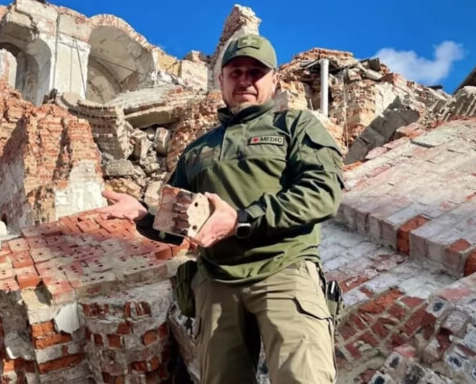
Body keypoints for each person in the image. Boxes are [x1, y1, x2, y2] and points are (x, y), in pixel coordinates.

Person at [97, 34, 344, 384]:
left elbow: (321, 194)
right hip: (215, 282)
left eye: (256, 72)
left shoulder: (295, 126)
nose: (245, 80)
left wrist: (241, 220)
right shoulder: (198, 149)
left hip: (283, 268)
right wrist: (144, 216)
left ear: (274, 79)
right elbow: (180, 219)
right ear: (221, 80)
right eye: (236, 71)